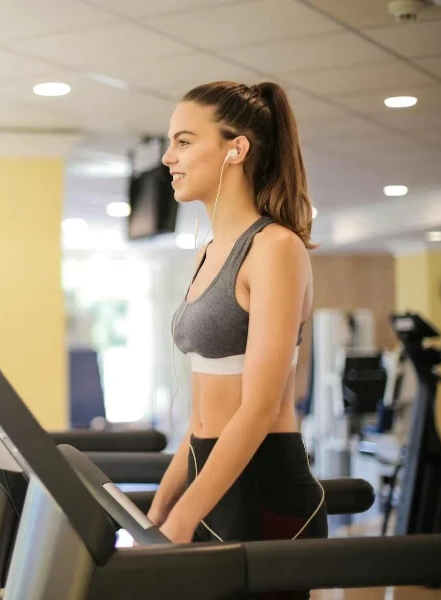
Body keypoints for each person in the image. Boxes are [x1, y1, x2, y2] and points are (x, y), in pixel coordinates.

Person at [147, 80, 328, 588]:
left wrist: (185, 517)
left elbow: (259, 407)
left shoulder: (274, 248)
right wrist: (163, 505)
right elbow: (205, 413)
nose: (167, 157)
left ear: (236, 149)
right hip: (212, 475)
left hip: (262, 480)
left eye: (183, 141)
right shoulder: (208, 253)